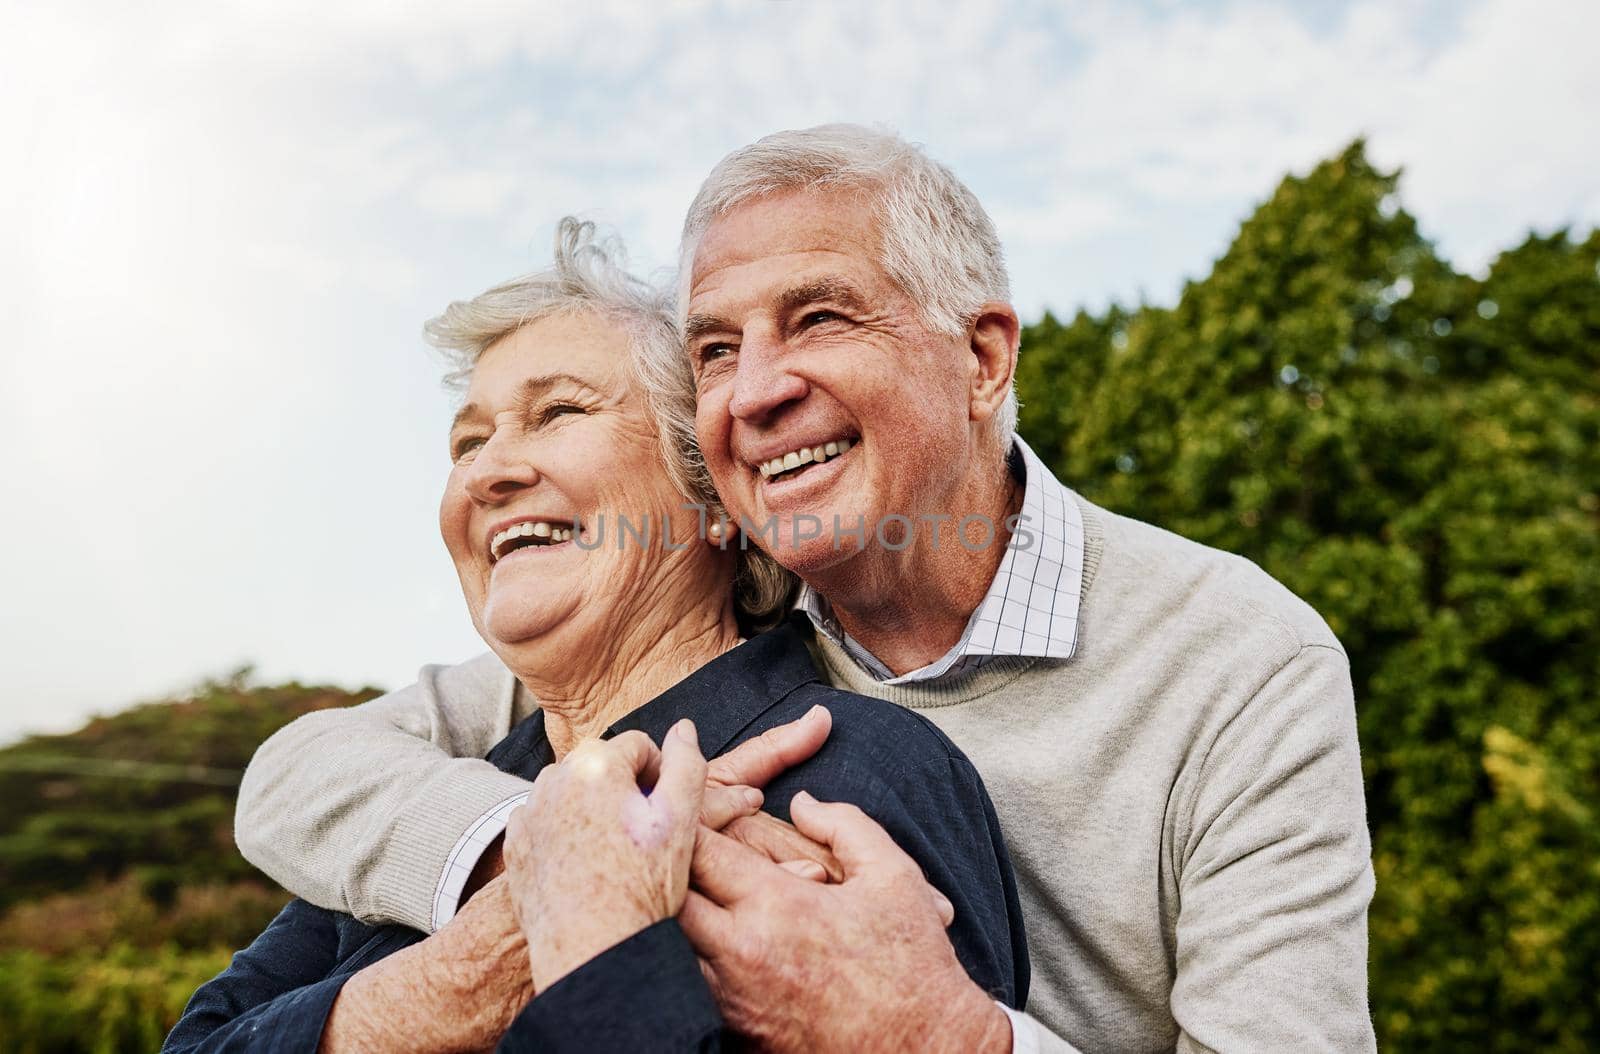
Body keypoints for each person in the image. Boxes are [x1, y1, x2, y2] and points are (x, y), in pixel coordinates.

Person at [238, 125, 1377, 1053]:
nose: (755, 391)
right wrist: (537, 859)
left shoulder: (1242, 662)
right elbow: (298, 775)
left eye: (819, 316)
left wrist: (946, 1038)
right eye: (718, 348)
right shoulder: (691, 651)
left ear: (982, 358)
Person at [164, 220, 1027, 1052]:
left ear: (713, 500)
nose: (487, 472)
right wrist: (477, 962)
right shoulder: (444, 812)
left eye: (558, 413)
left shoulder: (855, 775)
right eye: (468, 441)